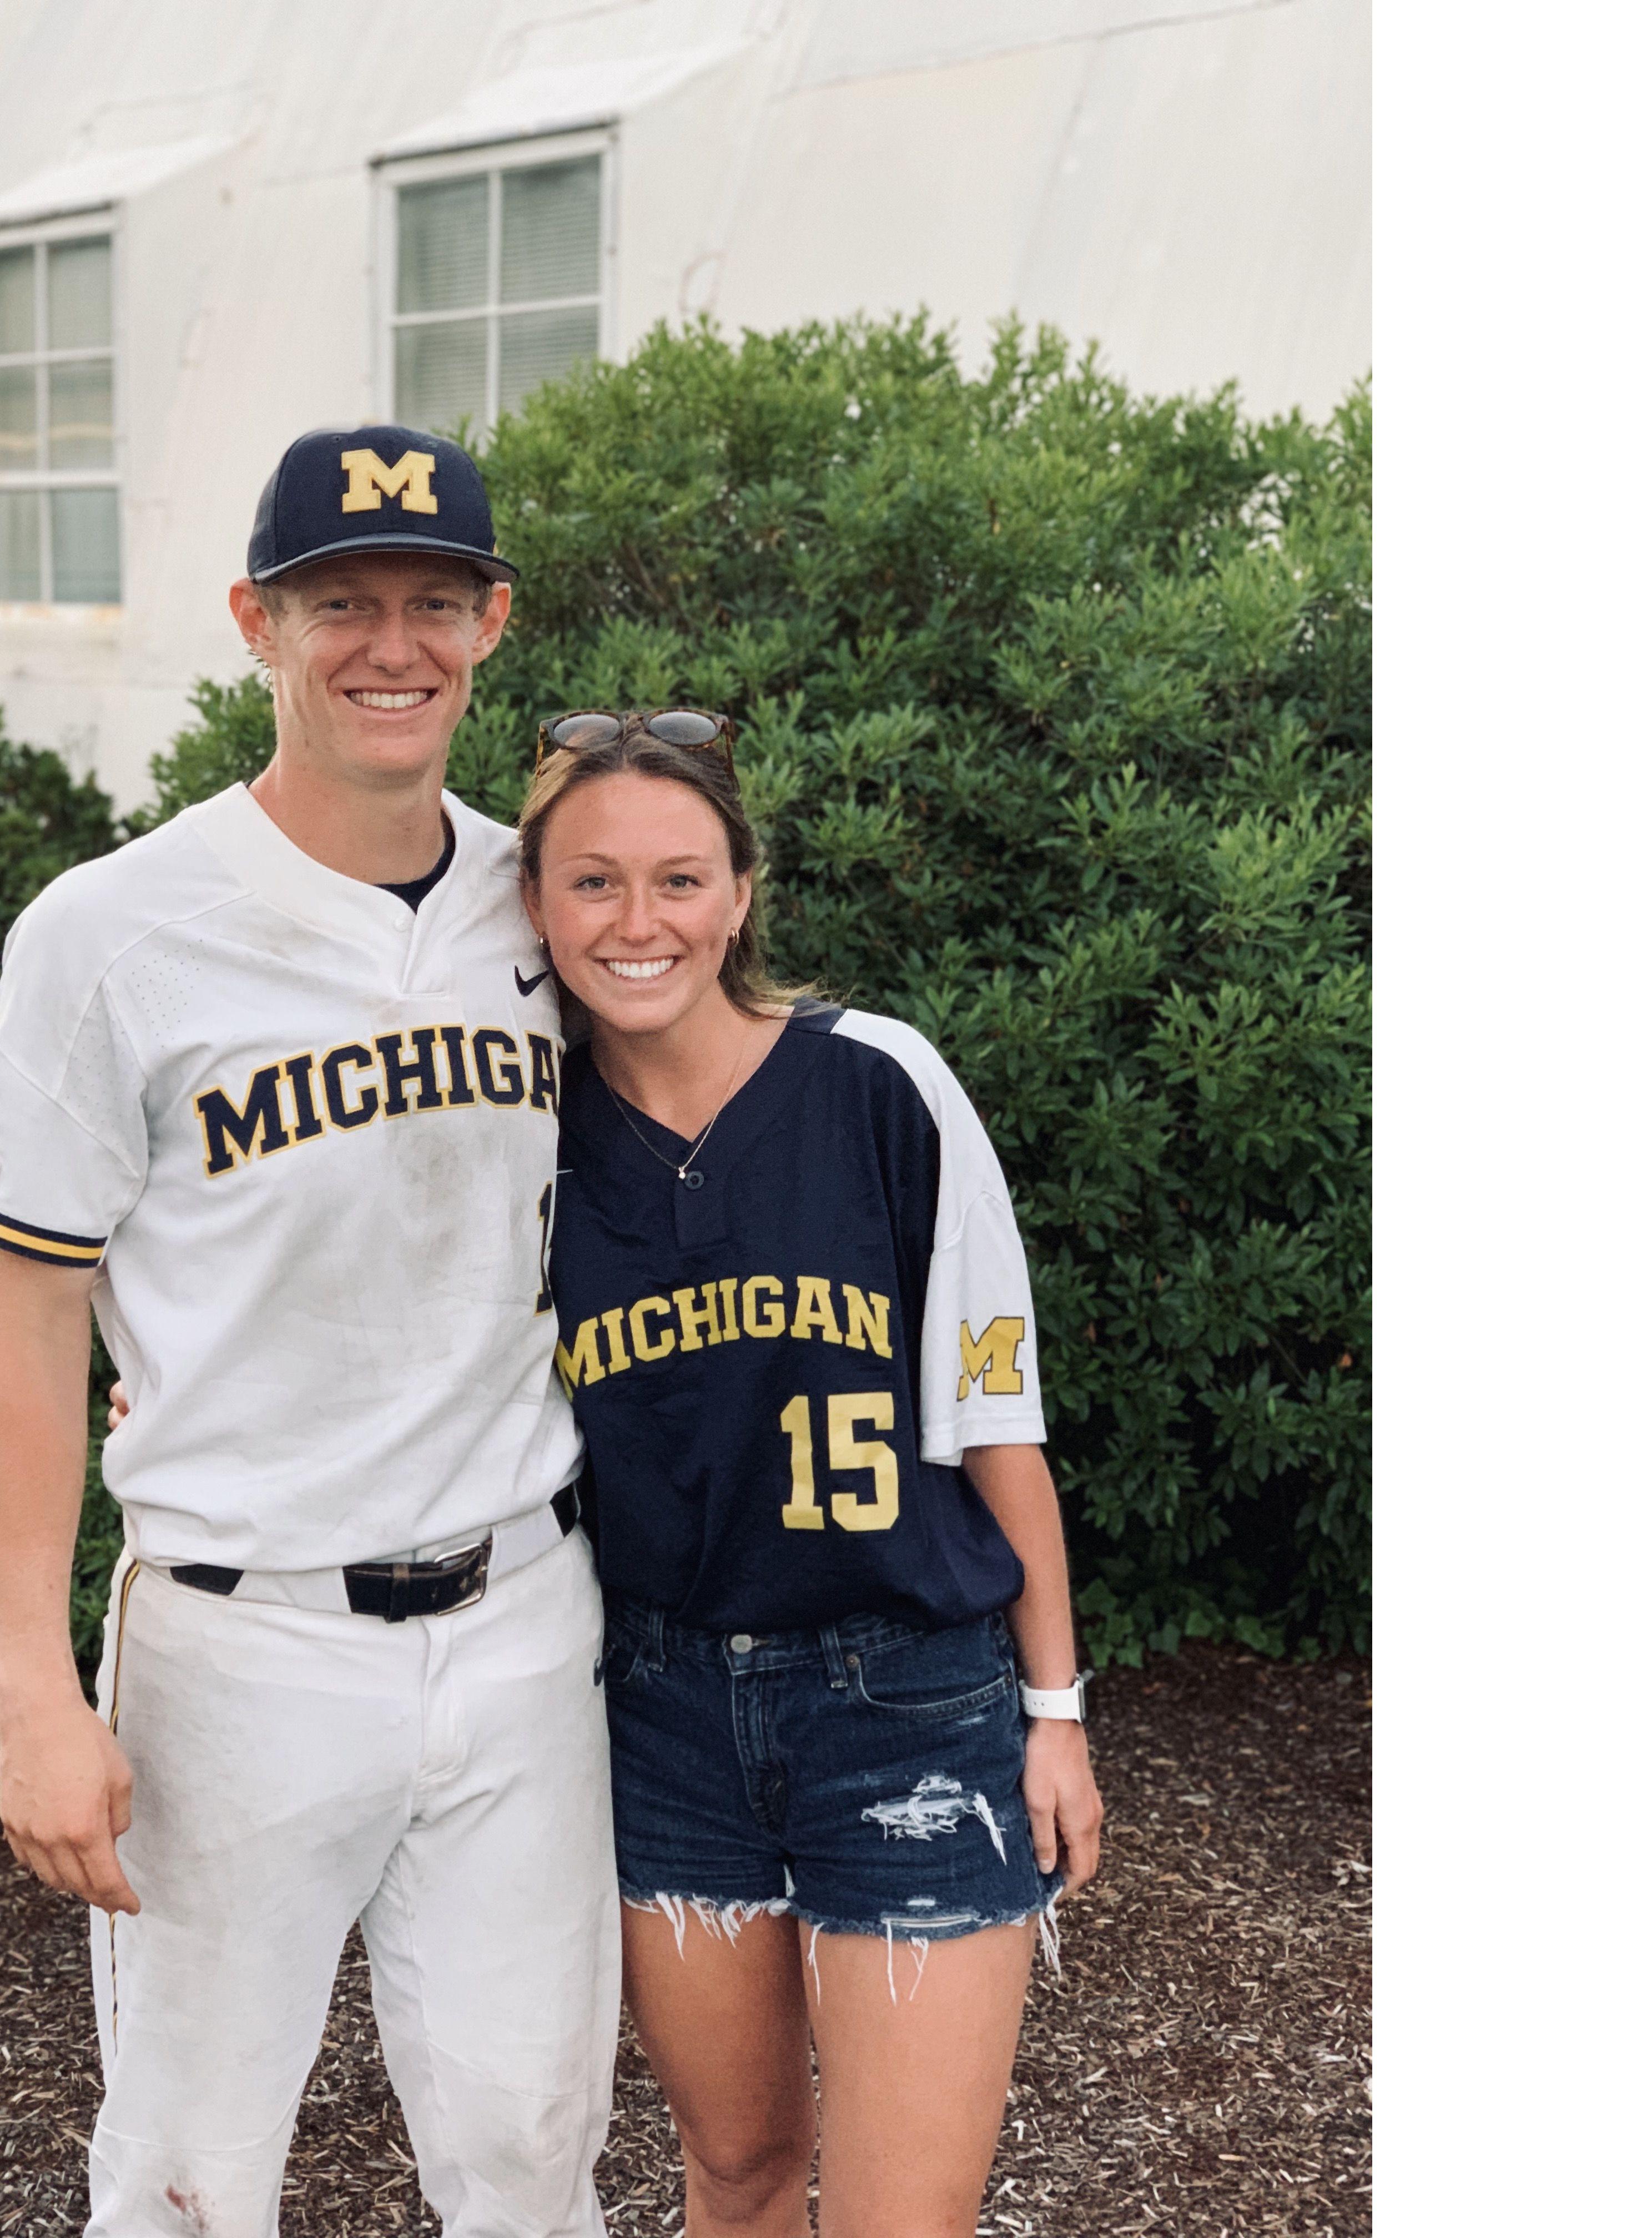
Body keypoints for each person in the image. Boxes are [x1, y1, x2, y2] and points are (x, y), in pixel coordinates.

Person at [0, 426, 617, 2238]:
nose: (387, 644)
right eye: (339, 603)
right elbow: (29, 1332)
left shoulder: (549, 901)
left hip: (521, 1625)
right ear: (257, 621)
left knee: (529, 2155)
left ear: (493, 622)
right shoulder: (108, 934)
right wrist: (29, 1688)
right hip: (241, 1645)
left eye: (431, 600)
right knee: (188, 2182)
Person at [518, 708, 1105, 2238]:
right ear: (533, 903)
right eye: (592, 883)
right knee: (737, 2173)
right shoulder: (522, 1136)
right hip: (660, 1715)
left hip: (904, 1699)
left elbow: (997, 1426)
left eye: (679, 878)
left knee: (902, 2219)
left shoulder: (878, 1084)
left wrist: (1057, 1717)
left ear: (740, 892)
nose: (639, 922)